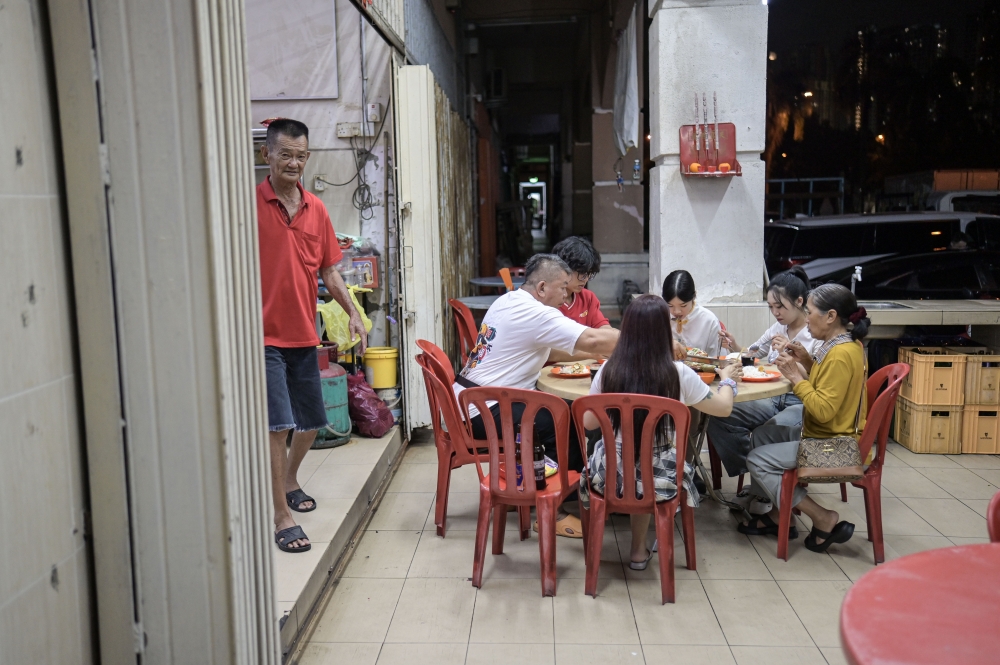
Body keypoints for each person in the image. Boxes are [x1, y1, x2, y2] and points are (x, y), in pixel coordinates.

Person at [258, 118, 368, 553]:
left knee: (310, 422)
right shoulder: (248, 206)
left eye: (300, 156)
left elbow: (329, 270)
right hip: (262, 336)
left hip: (304, 332)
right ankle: (280, 517)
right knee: (278, 426)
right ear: (267, 154)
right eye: (285, 154)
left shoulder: (316, 209)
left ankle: (289, 480)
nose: (293, 163)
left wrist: (353, 312)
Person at [456, 253, 619, 537]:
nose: (567, 297)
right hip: (485, 409)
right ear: (542, 287)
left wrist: (599, 354)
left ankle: (535, 489)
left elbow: (556, 350)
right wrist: (649, 336)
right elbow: (592, 338)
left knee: (563, 410)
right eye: (563, 288)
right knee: (564, 419)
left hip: (471, 400)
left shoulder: (509, 300)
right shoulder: (536, 313)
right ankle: (553, 510)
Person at [583, 295, 739, 568]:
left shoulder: (609, 369)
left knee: (628, 457)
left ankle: (631, 548)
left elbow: (588, 423)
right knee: (649, 461)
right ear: (664, 333)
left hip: (609, 475)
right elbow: (724, 408)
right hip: (661, 476)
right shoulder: (678, 373)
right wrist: (727, 381)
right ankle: (638, 550)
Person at [737, 284, 870, 553]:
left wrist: (796, 377)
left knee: (757, 460)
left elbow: (823, 410)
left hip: (835, 445)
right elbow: (827, 385)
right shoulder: (841, 345)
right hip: (826, 433)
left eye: (809, 312)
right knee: (762, 434)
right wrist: (807, 361)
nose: (806, 318)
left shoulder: (841, 354)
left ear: (830, 316)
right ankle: (779, 515)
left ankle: (821, 516)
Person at [709, 266, 821, 513]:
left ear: (799, 302)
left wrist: (792, 357)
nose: (776, 313)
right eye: (771, 307)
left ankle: (762, 490)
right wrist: (734, 345)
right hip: (772, 396)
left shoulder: (815, 331)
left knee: (768, 431)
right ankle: (757, 479)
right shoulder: (778, 328)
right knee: (719, 415)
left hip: (799, 401)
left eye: (780, 306)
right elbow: (754, 353)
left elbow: (818, 380)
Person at [661, 270, 724, 481]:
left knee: (690, 409)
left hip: (695, 382)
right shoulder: (658, 316)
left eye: (683, 305)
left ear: (694, 297)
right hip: (661, 380)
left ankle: (685, 469)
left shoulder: (708, 320)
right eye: (670, 306)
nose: (676, 312)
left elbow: (714, 362)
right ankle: (663, 466)